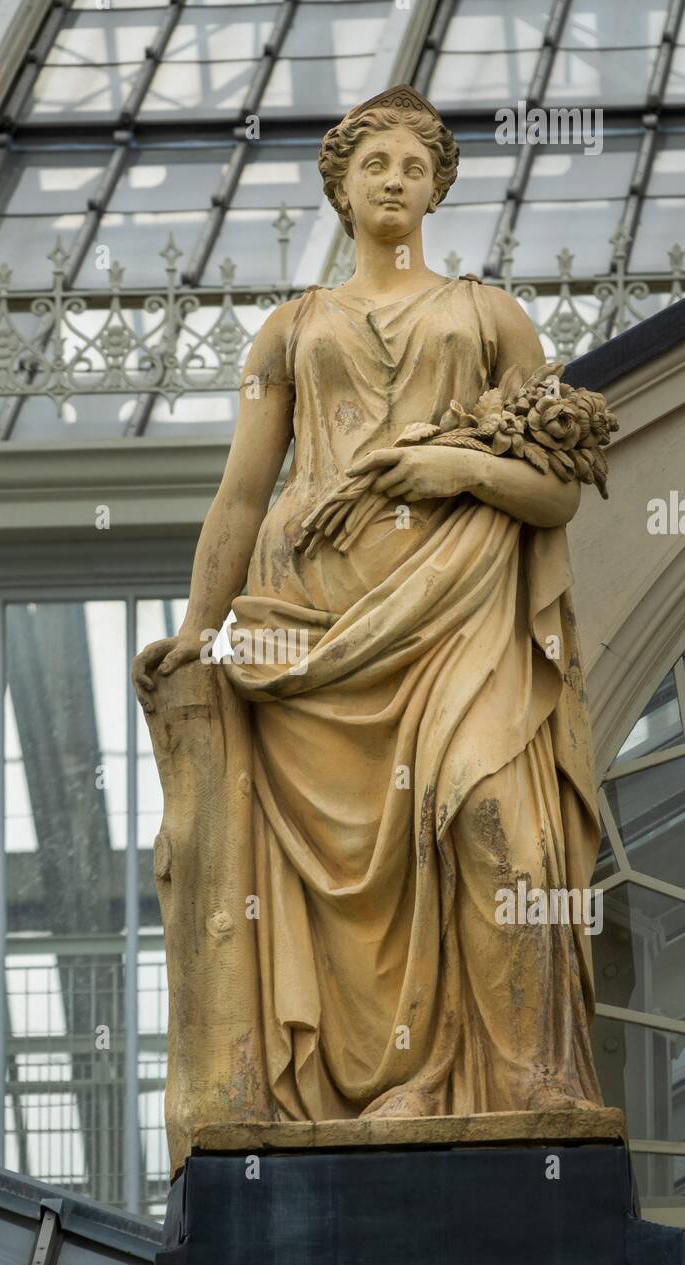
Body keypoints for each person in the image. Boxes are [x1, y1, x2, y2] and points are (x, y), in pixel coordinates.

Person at [133, 86, 606, 1121]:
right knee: (338, 885)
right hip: (306, 629)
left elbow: (556, 491)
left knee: (496, 826)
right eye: (374, 167)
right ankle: (368, 1095)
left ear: (436, 189)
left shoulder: (489, 317)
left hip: (460, 614)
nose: (394, 183)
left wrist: (452, 469)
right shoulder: (290, 330)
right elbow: (241, 494)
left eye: (413, 169)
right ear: (339, 189)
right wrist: (195, 631)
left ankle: (527, 1092)